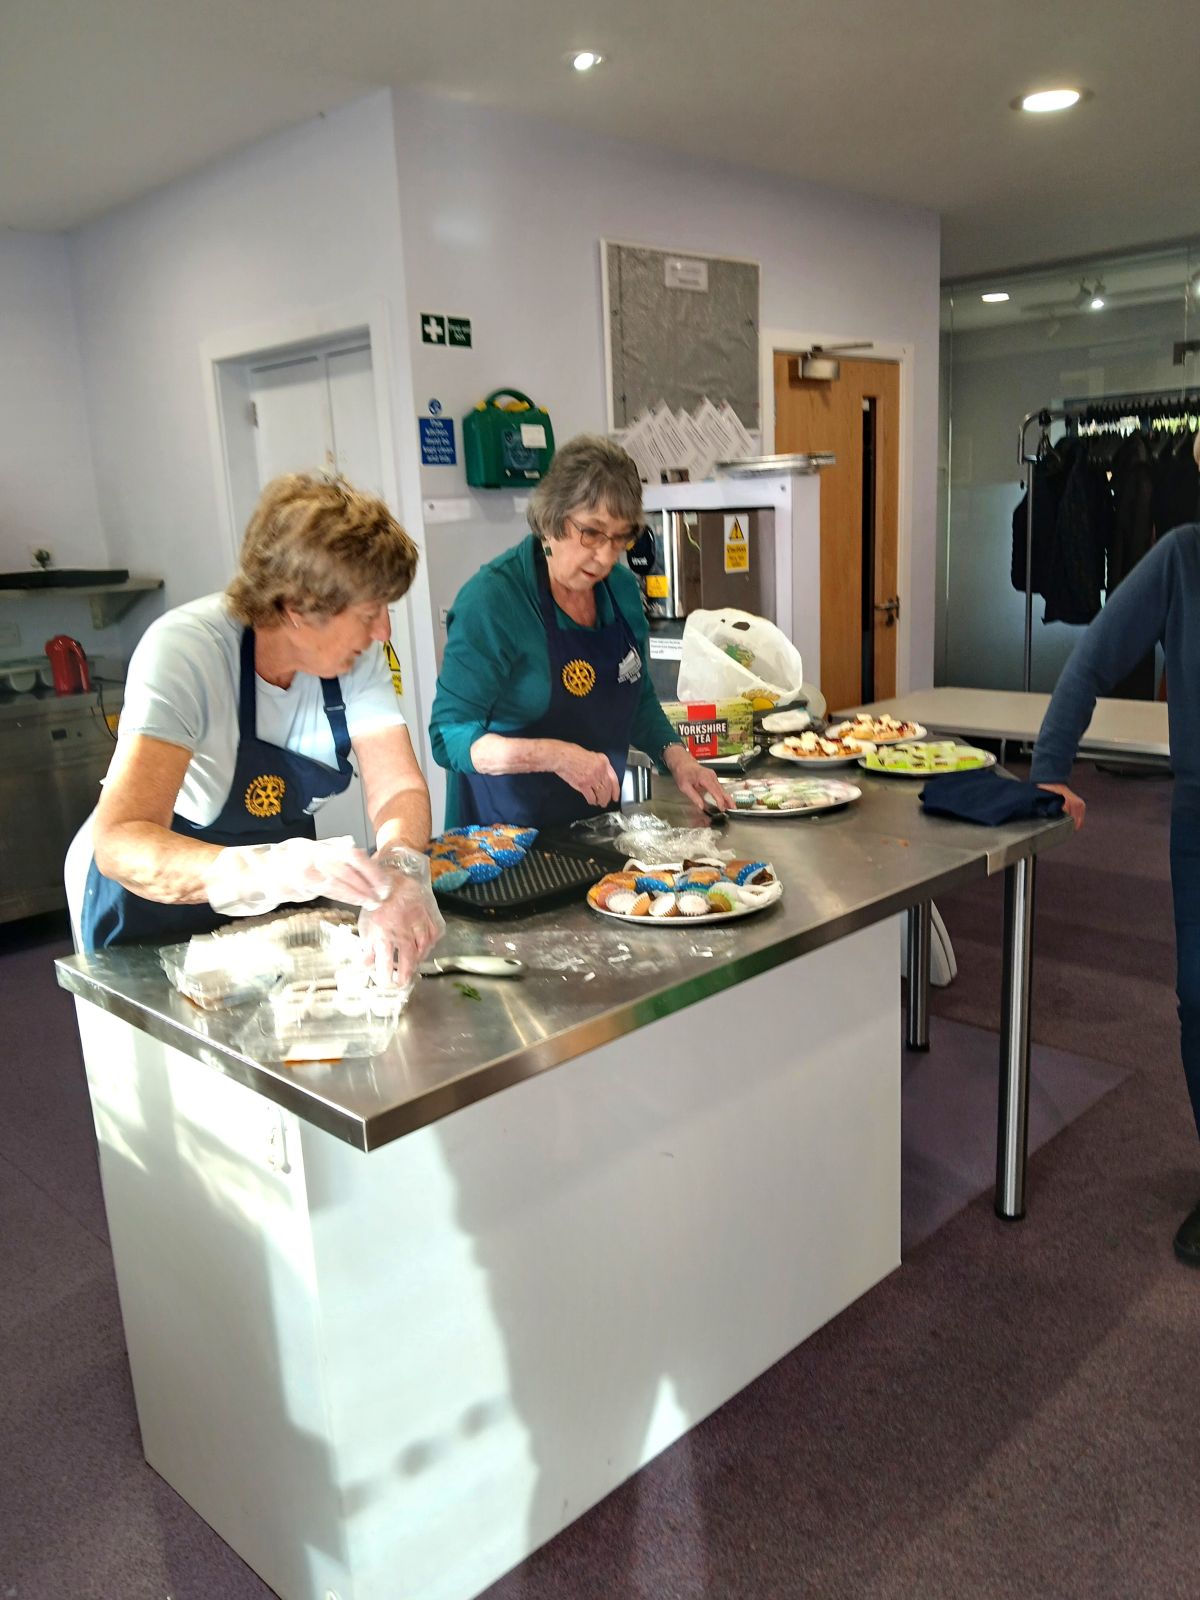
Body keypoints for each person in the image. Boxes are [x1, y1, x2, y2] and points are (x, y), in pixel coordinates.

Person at [74, 473, 443, 985]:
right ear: (297, 608)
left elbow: (397, 785)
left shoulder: (359, 658)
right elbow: (120, 841)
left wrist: (400, 865)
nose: (384, 631)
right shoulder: (186, 653)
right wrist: (265, 870)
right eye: (369, 613)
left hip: (274, 911)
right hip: (154, 913)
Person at [1031, 506, 1200, 1267]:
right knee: (1198, 998)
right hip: (1198, 814)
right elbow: (1093, 658)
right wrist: (1048, 770)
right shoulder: (1182, 558)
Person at [429, 434, 730, 828]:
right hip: (500, 839)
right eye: (591, 532)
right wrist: (555, 756)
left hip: (592, 830)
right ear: (551, 519)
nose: (605, 556)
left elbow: (637, 699)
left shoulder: (621, 591)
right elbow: (448, 736)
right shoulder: (493, 602)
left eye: (620, 538)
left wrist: (678, 758)